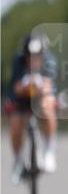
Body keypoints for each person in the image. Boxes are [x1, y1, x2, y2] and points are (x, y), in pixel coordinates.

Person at [8, 33, 59, 181]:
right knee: (16, 124)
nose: (33, 60)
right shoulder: (18, 61)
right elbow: (16, 87)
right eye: (29, 56)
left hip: (41, 96)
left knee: (47, 106)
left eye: (37, 56)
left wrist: (40, 86)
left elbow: (48, 85)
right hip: (22, 97)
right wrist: (26, 85)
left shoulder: (50, 61)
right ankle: (17, 160)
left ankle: (49, 149)